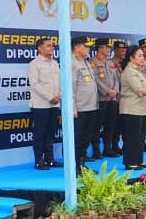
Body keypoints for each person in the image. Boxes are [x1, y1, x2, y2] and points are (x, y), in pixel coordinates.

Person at [28, 38, 61, 170]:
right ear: (39, 48)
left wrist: (59, 95)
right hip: (40, 105)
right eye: (48, 46)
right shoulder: (34, 64)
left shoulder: (55, 63)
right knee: (40, 133)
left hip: (55, 104)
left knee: (51, 133)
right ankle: (38, 161)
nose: (52, 48)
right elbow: (34, 84)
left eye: (52, 46)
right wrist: (50, 97)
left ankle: (50, 159)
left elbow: (60, 81)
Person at [69, 36, 99, 174]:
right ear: (77, 47)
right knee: (78, 138)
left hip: (90, 106)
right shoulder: (72, 63)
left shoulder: (85, 62)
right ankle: (75, 167)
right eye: (86, 46)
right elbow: (70, 87)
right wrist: (72, 107)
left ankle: (82, 164)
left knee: (86, 137)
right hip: (80, 108)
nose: (89, 49)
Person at [90, 39, 119, 158]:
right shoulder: (92, 62)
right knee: (97, 126)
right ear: (99, 48)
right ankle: (96, 150)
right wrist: (107, 91)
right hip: (100, 99)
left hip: (112, 99)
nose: (108, 50)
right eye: (106, 47)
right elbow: (95, 80)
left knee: (110, 124)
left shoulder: (110, 62)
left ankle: (107, 148)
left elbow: (116, 78)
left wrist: (115, 91)